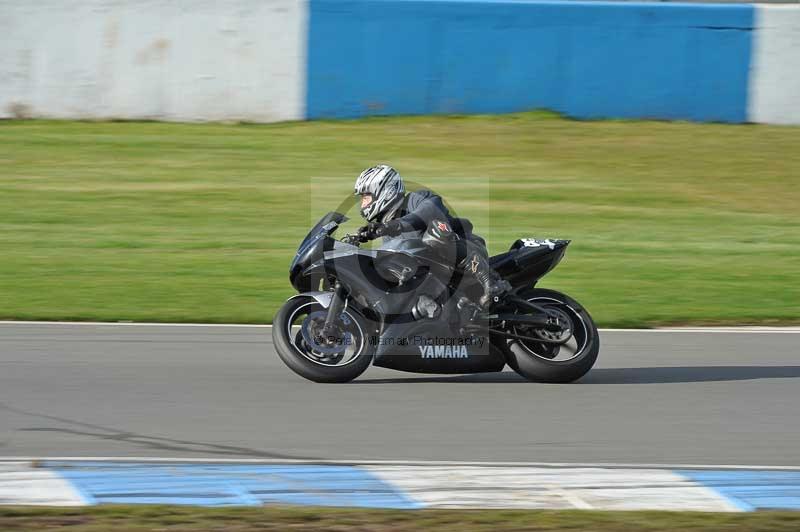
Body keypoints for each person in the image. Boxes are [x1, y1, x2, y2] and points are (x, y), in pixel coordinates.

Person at [353, 164, 511, 309]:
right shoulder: (387, 230)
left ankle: (491, 281)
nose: (363, 205)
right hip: (442, 280)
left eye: (366, 197)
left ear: (385, 191)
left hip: (468, 252)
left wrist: (393, 226)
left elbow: (430, 211)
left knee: (435, 232)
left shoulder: (417, 199)